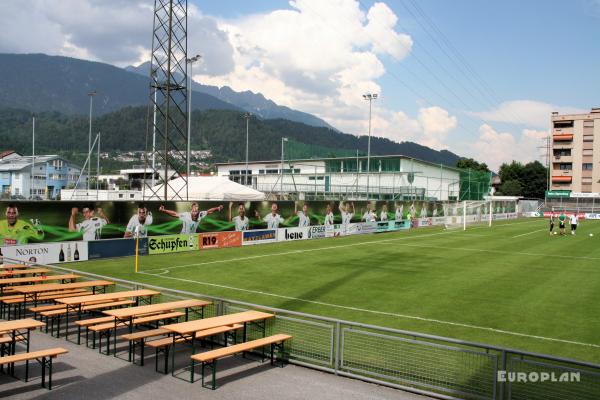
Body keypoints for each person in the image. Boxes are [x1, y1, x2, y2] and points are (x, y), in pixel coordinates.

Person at [159, 202, 223, 234]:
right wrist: (164, 210)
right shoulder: (186, 215)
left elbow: (209, 211)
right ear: (191, 209)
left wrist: (217, 208)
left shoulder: (200, 214)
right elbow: (174, 214)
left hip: (193, 236)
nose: (195, 212)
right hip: (183, 237)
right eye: (194, 209)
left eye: (197, 209)